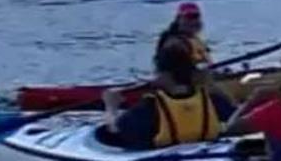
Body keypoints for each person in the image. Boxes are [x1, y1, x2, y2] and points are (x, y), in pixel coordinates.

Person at [98, 41, 236, 149]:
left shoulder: (150, 107)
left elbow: (114, 134)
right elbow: (237, 116)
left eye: (157, 72)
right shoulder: (212, 100)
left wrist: (111, 107)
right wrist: (212, 86)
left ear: (165, 75)